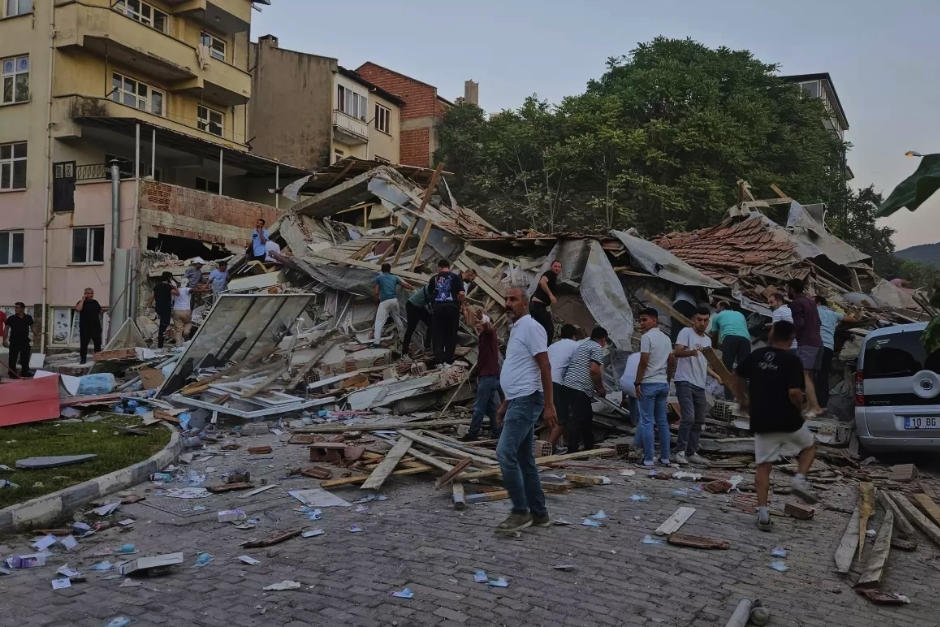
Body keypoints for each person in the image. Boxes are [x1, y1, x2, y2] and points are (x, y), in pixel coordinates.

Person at [732, 321, 818, 531]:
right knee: (809, 448)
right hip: (788, 420)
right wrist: (800, 408)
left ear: (771, 335)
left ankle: (762, 513)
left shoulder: (757, 355)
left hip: (762, 420)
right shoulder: (792, 360)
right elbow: (794, 393)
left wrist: (742, 401)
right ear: (791, 339)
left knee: (763, 467)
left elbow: (736, 376)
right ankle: (799, 480)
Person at [494, 286, 556, 533]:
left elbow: (545, 366)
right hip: (517, 399)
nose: (508, 303)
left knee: (504, 453)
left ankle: (520, 512)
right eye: (506, 299)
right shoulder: (517, 329)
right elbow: (520, 370)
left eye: (513, 299)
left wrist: (550, 405)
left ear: (525, 303)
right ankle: (540, 514)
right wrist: (504, 404)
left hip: (527, 400)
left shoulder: (531, 327)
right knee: (524, 460)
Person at [673, 306, 721, 466]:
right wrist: (692, 352)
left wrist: (716, 375)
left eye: (705, 320)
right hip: (684, 381)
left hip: (699, 384)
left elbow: (703, 363)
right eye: (699, 319)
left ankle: (691, 452)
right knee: (688, 417)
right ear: (694, 319)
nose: (702, 323)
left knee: (699, 420)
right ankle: (679, 452)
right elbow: (677, 352)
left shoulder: (707, 340)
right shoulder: (686, 333)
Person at [634, 307, 676, 466]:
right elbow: (672, 360)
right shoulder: (666, 338)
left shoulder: (646, 338)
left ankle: (649, 459)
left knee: (646, 421)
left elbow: (643, 361)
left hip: (648, 383)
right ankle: (665, 457)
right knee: (663, 421)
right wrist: (667, 379)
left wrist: (637, 382)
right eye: (640, 320)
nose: (641, 323)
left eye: (644, 320)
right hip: (662, 384)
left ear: (654, 320)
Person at [562, 326, 608, 453]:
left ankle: (588, 446)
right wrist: (600, 387)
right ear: (603, 339)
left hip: (569, 384)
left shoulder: (583, 345)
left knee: (586, 417)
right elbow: (594, 369)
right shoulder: (596, 347)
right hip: (579, 386)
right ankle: (572, 450)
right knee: (578, 419)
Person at [787, 278, 824, 416]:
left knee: (805, 376)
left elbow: (799, 324)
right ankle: (809, 407)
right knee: (809, 375)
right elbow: (818, 322)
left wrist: (789, 333)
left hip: (807, 343)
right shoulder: (811, 303)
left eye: (787, 288)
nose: (787, 291)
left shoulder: (796, 303)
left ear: (791, 289)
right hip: (818, 342)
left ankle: (815, 407)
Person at [463, 311, 501, 441]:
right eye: (476, 324)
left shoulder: (490, 333)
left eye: (479, 323)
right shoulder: (483, 337)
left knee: (479, 407)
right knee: (491, 408)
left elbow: (489, 327)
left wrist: (482, 318)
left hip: (489, 376)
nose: (477, 326)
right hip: (488, 376)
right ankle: (497, 432)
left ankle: (472, 434)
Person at [546, 324, 581, 453]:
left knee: (553, 417)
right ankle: (547, 450)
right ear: (574, 336)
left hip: (542, 382)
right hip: (556, 383)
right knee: (562, 420)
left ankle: (554, 448)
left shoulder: (552, 346)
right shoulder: (575, 346)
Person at [709, 300, 751, 396]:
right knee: (743, 369)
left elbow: (714, 335)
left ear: (722, 307)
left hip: (730, 338)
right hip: (746, 340)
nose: (716, 309)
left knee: (726, 368)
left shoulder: (717, 317)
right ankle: (743, 397)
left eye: (717, 307)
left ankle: (729, 397)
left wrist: (714, 346)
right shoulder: (740, 314)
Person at [427, 259, 465, 365]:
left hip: (438, 309)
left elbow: (430, 295)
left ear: (439, 267)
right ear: (449, 267)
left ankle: (439, 359)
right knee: (451, 333)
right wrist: (460, 305)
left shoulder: (434, 279)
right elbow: (461, 293)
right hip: (452, 309)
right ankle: (448, 359)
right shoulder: (456, 277)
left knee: (438, 333)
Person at [815, 296, 845, 408]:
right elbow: (850, 319)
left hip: (816, 346)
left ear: (817, 303)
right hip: (828, 348)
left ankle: (811, 402)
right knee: (823, 375)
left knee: (811, 374)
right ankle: (823, 404)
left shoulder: (814, 310)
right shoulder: (833, 313)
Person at [372, 263, 411, 348]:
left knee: (379, 322)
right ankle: (402, 339)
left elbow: (376, 292)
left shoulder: (379, 278)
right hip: (394, 300)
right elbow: (405, 285)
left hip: (384, 302)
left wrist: (376, 302)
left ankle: (376, 343)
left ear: (382, 270)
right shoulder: (395, 277)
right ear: (390, 270)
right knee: (397, 319)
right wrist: (412, 288)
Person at [530, 260, 561, 343]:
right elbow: (542, 282)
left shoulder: (553, 278)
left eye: (559, 267)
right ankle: (546, 351)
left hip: (536, 305)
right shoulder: (550, 274)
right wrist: (551, 295)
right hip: (538, 305)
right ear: (551, 267)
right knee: (549, 330)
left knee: (538, 329)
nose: (557, 268)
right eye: (555, 266)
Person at [3, 302, 36, 377]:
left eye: (17, 307)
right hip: (14, 341)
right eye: (15, 307)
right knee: (12, 358)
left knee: (25, 358)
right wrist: (4, 340)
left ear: (22, 308)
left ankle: (25, 372)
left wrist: (36, 335)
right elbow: (6, 329)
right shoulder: (11, 318)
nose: (16, 309)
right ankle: (12, 373)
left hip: (25, 341)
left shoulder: (28, 317)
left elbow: (32, 326)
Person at [402, 284, 432, 357]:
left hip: (420, 307)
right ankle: (404, 353)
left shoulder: (437, 287)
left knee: (432, 324)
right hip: (412, 306)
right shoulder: (433, 287)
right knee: (411, 329)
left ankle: (427, 347)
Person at [75, 288, 103, 364]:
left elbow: (100, 311)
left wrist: (104, 311)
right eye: (89, 293)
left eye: (92, 293)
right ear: (85, 294)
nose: (90, 295)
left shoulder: (95, 302)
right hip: (85, 328)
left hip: (96, 327)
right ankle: (83, 359)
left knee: (97, 344)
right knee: (84, 344)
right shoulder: (81, 302)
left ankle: (98, 359)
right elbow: (78, 309)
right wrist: (83, 300)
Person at [148, 272, 175, 348]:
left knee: (163, 325)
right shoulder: (169, 287)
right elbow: (177, 293)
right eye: (171, 278)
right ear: (169, 278)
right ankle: (160, 344)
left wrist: (149, 307)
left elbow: (152, 297)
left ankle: (161, 342)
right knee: (163, 326)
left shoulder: (156, 286)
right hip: (166, 308)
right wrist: (174, 286)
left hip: (158, 308)